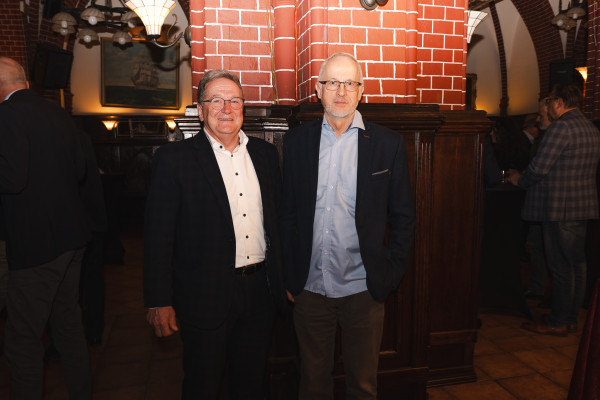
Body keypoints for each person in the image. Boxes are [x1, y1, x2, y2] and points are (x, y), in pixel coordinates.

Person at [143, 70, 286, 399]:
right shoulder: (173, 160)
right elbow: (158, 236)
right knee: (203, 384)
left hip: (260, 292)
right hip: (204, 296)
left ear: (243, 107)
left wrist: (284, 279)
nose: (226, 108)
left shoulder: (265, 155)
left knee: (252, 384)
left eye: (234, 100)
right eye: (216, 101)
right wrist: (158, 300)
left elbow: (277, 223)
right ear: (200, 109)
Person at [281, 52, 415, 399]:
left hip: (363, 290)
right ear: (318, 90)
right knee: (312, 385)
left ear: (361, 91)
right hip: (310, 289)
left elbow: (403, 217)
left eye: (349, 83)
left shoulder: (387, 144)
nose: (341, 91)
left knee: (363, 386)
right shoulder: (297, 142)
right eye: (332, 83)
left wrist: (390, 275)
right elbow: (287, 214)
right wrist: (290, 274)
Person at [0, 57, 92, 399]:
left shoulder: (7, 114)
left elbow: (12, 178)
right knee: (68, 327)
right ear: (25, 82)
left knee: (22, 339)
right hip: (72, 237)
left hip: (36, 244)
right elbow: (80, 170)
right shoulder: (58, 112)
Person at [508, 83, 600, 336]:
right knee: (577, 266)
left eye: (550, 102)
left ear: (559, 103)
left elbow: (539, 168)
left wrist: (519, 180)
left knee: (560, 268)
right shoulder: (590, 127)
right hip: (581, 208)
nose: (548, 108)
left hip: (560, 209)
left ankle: (558, 322)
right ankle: (570, 318)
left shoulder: (561, 127)